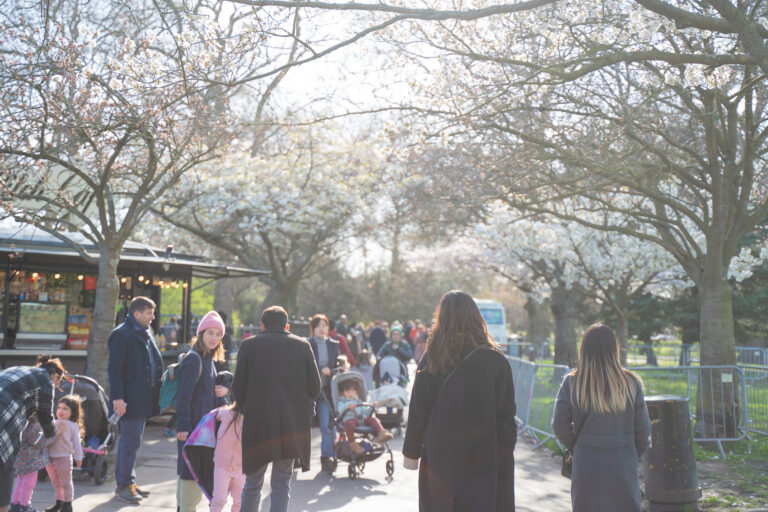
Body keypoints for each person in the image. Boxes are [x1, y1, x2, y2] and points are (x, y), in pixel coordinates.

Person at [403, 290, 517, 512]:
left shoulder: (432, 358)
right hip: (483, 456)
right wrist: (505, 450)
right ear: (475, 316)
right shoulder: (495, 359)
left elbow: (419, 409)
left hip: (440, 456)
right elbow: (506, 413)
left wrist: (412, 452)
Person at [552, 323, 651, 512]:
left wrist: (578, 446)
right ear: (614, 349)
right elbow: (644, 431)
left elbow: (559, 426)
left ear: (584, 349)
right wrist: (630, 452)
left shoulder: (572, 382)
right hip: (623, 463)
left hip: (587, 462)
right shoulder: (631, 383)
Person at [233, 306, 321, 512]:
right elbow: (315, 387)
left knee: (252, 484)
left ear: (262, 325)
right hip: (290, 425)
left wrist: (246, 409)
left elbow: (238, 387)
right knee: (282, 483)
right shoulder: (302, 346)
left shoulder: (248, 346)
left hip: (257, 424)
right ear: (287, 326)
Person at [107, 296, 163, 504]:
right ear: (137, 313)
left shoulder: (144, 331)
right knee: (129, 443)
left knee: (133, 442)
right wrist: (117, 398)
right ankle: (124, 485)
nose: (152, 317)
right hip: (129, 399)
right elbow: (114, 369)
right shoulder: (121, 334)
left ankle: (128, 481)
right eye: (149, 313)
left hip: (142, 398)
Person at [175, 310, 229, 512]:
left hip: (203, 430)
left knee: (191, 474)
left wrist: (222, 391)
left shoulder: (208, 359)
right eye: (210, 333)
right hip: (193, 431)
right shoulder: (194, 359)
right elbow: (184, 396)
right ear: (201, 334)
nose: (214, 338)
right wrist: (183, 425)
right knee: (191, 474)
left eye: (218, 334)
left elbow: (208, 394)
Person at [0, 356, 63, 512]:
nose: (56, 386)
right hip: (3, 423)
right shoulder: (45, 379)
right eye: (58, 382)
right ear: (54, 376)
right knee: (4, 477)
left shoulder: (18, 369)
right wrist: (54, 433)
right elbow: (46, 416)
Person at [306, 314, 340, 472]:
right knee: (303, 426)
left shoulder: (334, 344)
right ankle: (297, 457)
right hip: (310, 391)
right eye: (318, 325)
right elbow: (304, 365)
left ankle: (327, 457)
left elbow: (338, 366)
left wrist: (332, 370)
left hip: (326, 391)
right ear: (313, 328)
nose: (322, 328)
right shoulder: (307, 344)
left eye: (324, 325)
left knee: (327, 425)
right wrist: (320, 369)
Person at [43, 395, 84, 512]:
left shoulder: (72, 426)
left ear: (73, 412)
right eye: (59, 408)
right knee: (56, 483)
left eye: (65, 409)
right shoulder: (53, 423)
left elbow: (76, 443)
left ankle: (67, 505)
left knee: (65, 483)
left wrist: (79, 456)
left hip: (64, 458)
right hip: (49, 458)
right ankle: (59, 502)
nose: (61, 411)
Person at [338, 381, 392, 455]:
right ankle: (353, 444)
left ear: (356, 393)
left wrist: (372, 407)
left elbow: (366, 413)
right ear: (342, 393)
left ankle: (382, 433)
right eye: (347, 392)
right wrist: (347, 406)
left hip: (362, 419)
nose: (350, 394)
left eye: (353, 392)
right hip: (350, 419)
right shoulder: (342, 402)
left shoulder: (358, 401)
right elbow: (340, 411)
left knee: (373, 420)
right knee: (348, 424)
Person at [9, 415, 48, 512]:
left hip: (20, 460)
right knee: (28, 484)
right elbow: (39, 442)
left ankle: (15, 504)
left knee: (20, 482)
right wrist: (52, 437)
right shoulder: (34, 426)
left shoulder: (19, 423)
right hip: (31, 462)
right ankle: (25, 506)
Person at [210, 402, 245, 512]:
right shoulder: (227, 413)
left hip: (240, 467)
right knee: (219, 500)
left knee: (240, 501)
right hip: (222, 466)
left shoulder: (252, 420)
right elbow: (215, 415)